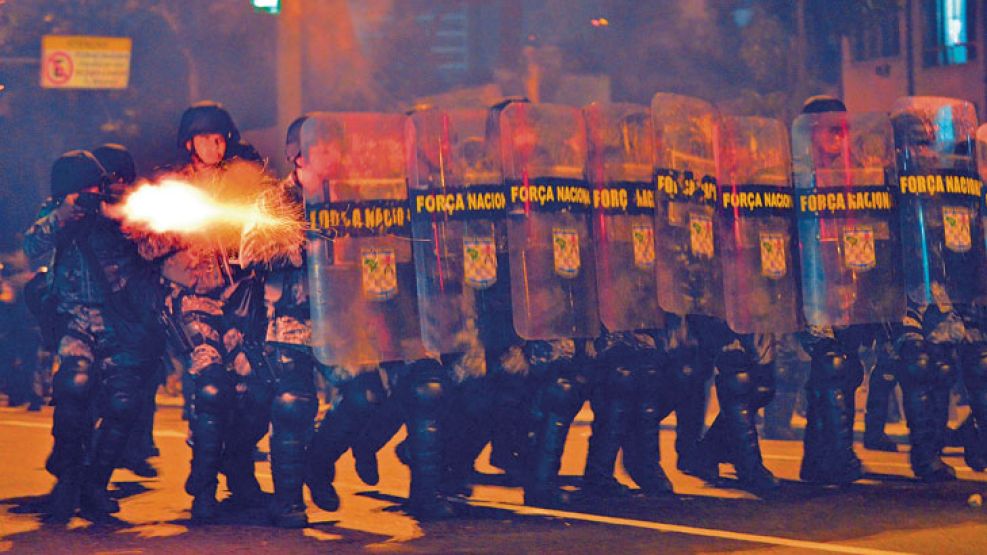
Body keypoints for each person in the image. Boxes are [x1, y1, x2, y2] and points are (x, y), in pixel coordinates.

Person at [141, 101, 273, 521]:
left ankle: (239, 473)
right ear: (190, 143)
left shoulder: (245, 182)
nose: (215, 146)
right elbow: (145, 246)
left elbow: (272, 232)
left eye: (220, 138)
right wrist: (180, 228)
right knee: (212, 388)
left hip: (238, 300)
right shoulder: (171, 188)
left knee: (255, 390)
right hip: (192, 300)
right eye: (205, 139)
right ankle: (204, 485)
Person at [24, 150, 163, 522]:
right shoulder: (55, 214)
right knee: (74, 384)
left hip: (117, 322)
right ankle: (67, 479)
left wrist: (128, 223)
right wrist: (67, 213)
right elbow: (31, 246)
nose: (93, 192)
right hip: (75, 321)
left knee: (123, 402)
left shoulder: (117, 210)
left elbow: (152, 250)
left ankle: (96, 484)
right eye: (85, 188)